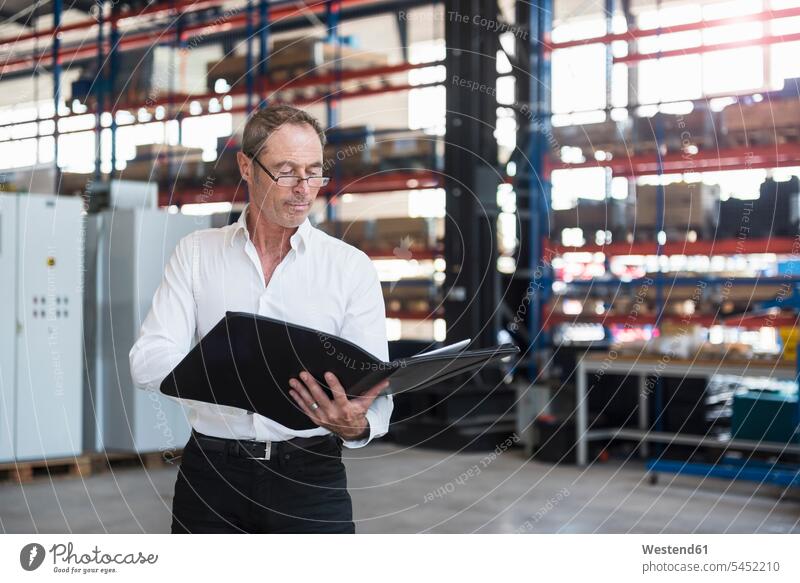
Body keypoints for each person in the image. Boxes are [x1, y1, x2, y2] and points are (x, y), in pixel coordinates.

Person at [129, 104, 392, 533]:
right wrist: (235, 378)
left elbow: (374, 386)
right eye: (286, 171)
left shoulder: (350, 267)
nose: (304, 188)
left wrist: (357, 424)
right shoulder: (197, 253)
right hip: (211, 476)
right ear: (246, 167)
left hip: (310, 478)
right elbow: (147, 359)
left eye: (313, 171)